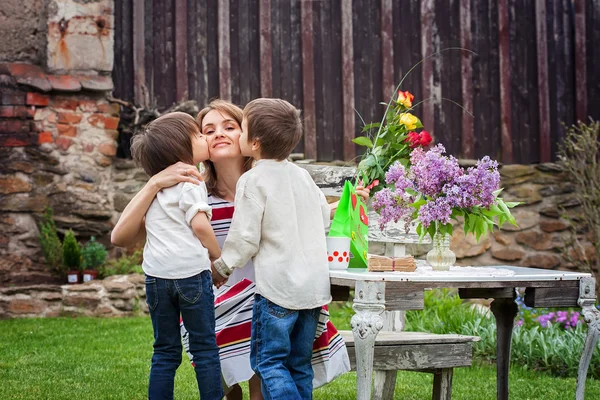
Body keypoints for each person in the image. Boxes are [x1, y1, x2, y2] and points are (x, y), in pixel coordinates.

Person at [111, 100, 369, 400]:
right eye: (208, 130)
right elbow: (120, 236)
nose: (219, 134)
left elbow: (305, 215)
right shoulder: (192, 192)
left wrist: (347, 203)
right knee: (253, 317)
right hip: (218, 296)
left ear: (250, 137)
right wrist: (153, 183)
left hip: (269, 291)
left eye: (230, 127)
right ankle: (233, 391)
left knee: (260, 307)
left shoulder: (263, 181)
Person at [210, 98, 336, 399]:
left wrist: (223, 267)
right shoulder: (303, 176)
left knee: (269, 362)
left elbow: (245, 237)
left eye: (239, 129)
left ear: (254, 143)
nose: (236, 135)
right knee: (299, 365)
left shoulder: (253, 180)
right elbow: (322, 219)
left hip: (278, 292)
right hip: (314, 291)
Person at [113, 112, 223, 400]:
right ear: (182, 150)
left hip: (157, 278)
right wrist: (217, 255)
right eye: (198, 135)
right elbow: (199, 224)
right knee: (205, 349)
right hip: (191, 277)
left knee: (164, 351)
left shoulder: (156, 192)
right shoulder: (191, 182)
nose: (205, 137)